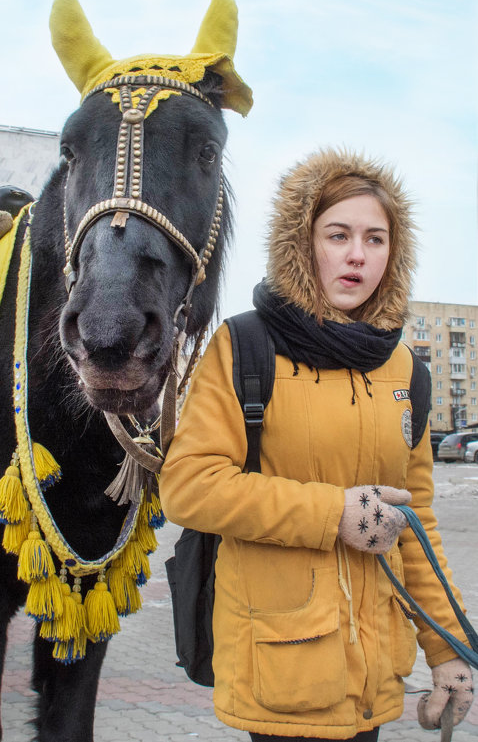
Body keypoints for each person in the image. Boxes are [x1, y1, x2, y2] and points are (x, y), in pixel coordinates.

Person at [159, 147, 475, 741]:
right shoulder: (243, 346)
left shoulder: (406, 368)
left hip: (375, 676)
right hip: (283, 667)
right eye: (338, 234)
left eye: (376, 239)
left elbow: (417, 523)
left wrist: (446, 651)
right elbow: (187, 488)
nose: (358, 255)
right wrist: (335, 515)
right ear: (302, 244)